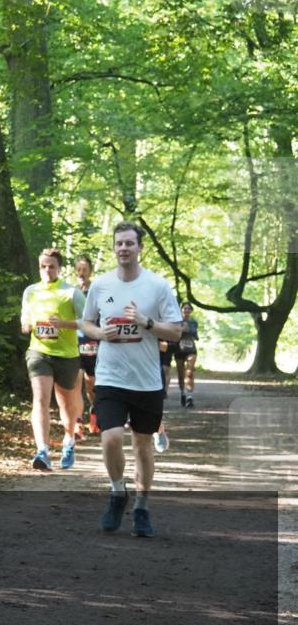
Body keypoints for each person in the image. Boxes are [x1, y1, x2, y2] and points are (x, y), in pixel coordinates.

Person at [81, 222, 182, 538]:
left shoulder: (157, 286)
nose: (123, 248)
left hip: (147, 381)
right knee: (110, 437)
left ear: (140, 248)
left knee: (142, 446)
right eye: (118, 243)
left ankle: (142, 506)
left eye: (129, 243)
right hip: (111, 377)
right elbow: (87, 322)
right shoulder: (101, 284)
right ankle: (116, 491)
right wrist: (99, 333)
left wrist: (147, 322)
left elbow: (176, 331)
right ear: (114, 248)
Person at [21, 248, 86, 471]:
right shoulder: (31, 291)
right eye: (43, 266)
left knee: (66, 403)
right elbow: (25, 321)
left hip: (67, 355)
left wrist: (63, 324)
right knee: (40, 398)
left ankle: (69, 440)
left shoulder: (72, 293)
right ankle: (43, 450)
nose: (47, 270)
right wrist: (28, 325)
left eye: (51, 266)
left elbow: (87, 322)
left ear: (59, 268)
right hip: (39, 352)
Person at [75, 256, 99, 434]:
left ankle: (95, 413)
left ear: (90, 271)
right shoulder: (71, 292)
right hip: (73, 343)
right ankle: (77, 422)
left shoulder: (97, 291)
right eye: (78, 270)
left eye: (84, 269)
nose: (81, 273)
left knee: (91, 385)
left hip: (93, 342)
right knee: (75, 383)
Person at [171, 302, 199, 407]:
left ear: (191, 310)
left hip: (191, 349)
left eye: (188, 309)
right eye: (184, 309)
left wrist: (190, 330)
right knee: (180, 374)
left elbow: (196, 336)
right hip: (179, 350)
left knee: (189, 372)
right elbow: (173, 334)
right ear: (181, 310)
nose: (186, 311)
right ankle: (183, 393)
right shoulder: (177, 322)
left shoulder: (194, 322)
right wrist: (181, 330)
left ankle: (190, 397)